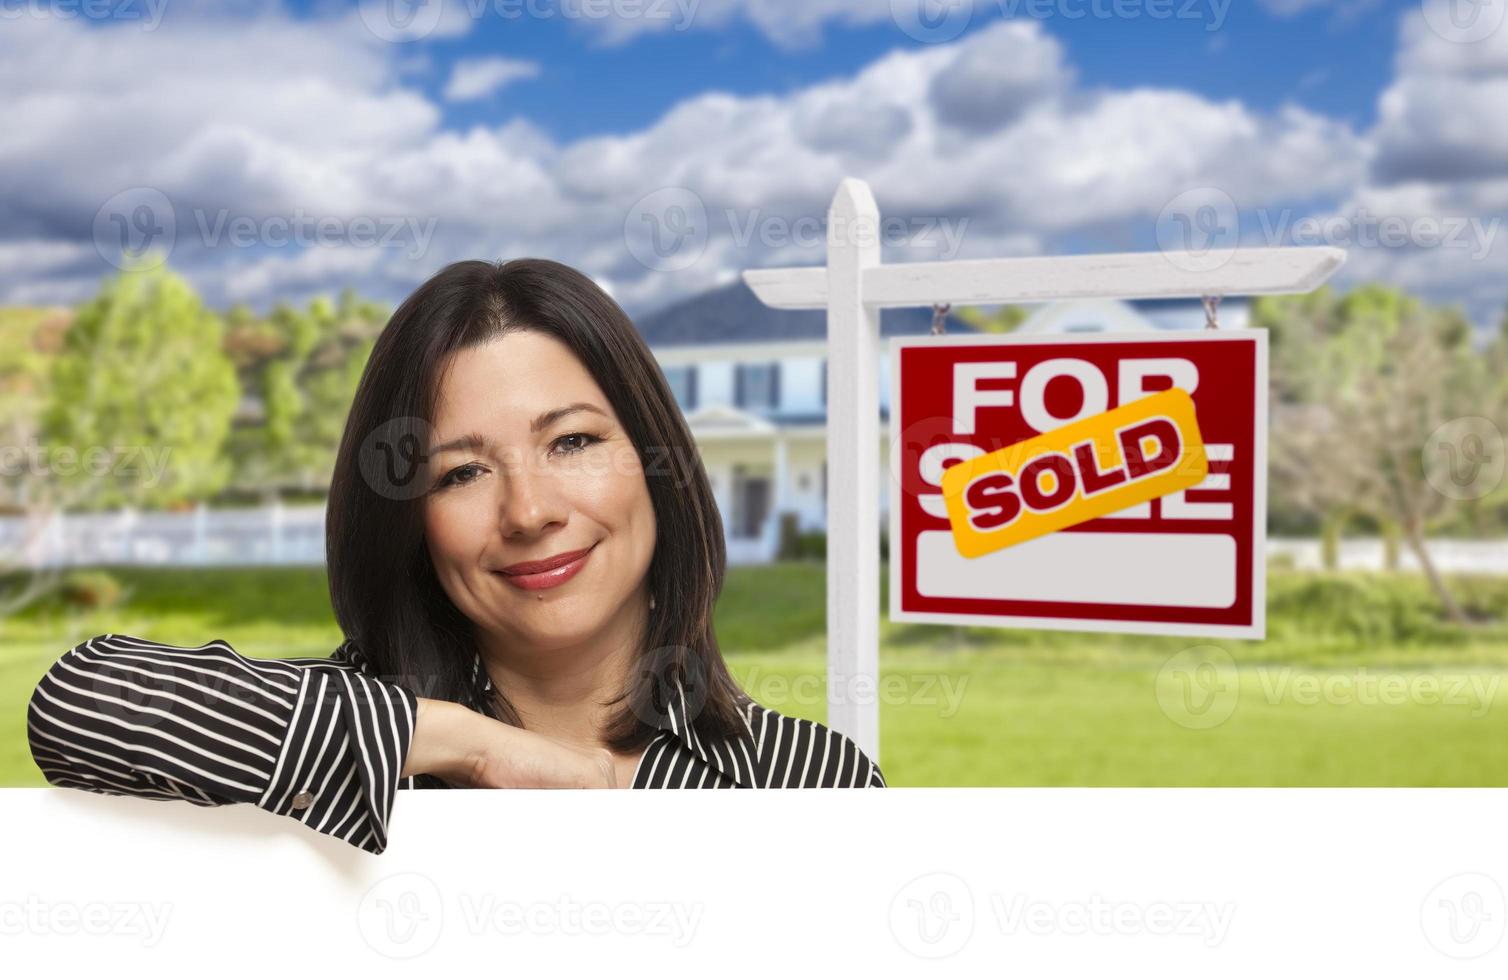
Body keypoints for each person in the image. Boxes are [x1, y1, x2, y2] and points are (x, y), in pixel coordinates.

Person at [26, 258, 885, 856]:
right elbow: (82, 705)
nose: (531, 512)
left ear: (657, 465)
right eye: (462, 471)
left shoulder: (810, 782)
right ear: (409, 517)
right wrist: (469, 748)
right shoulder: (349, 739)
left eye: (574, 441)